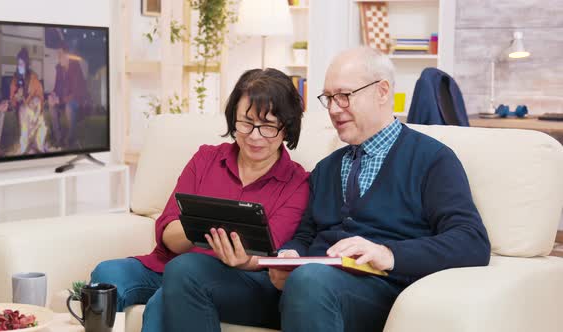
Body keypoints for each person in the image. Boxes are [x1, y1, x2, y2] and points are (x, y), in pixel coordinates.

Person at [163, 47, 491, 332]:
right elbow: (304, 235)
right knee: (187, 270)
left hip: (376, 292)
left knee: (311, 280)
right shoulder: (327, 168)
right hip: (303, 291)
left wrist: (388, 254)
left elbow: (471, 241)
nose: (334, 109)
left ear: (382, 91)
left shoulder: (432, 159)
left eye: (344, 96)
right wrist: (288, 256)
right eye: (329, 98)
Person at [90, 68, 309, 331]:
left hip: (240, 280)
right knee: (107, 274)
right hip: (172, 266)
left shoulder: (297, 183)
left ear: (287, 128)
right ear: (233, 119)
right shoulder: (206, 159)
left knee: (166, 299)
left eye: (268, 126)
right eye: (246, 122)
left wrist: (243, 260)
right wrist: (202, 227)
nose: (254, 135)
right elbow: (168, 229)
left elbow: (270, 251)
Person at [47, 45, 88, 149]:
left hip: (76, 100)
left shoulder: (75, 68)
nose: (58, 57)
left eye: (60, 55)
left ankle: (70, 138)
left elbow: (75, 93)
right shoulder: (59, 68)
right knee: (51, 106)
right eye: (58, 55)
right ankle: (58, 138)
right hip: (63, 100)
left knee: (69, 107)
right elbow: (56, 87)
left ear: (67, 55)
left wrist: (59, 100)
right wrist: (52, 95)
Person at [10, 48, 47, 154]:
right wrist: (17, 96)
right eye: (18, 64)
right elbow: (12, 101)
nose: (19, 66)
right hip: (23, 111)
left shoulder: (33, 78)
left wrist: (36, 104)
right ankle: (26, 143)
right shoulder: (15, 79)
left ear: (26, 64)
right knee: (23, 109)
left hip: (34, 110)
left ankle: (37, 143)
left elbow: (40, 95)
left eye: (22, 63)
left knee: (35, 101)